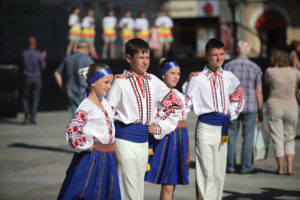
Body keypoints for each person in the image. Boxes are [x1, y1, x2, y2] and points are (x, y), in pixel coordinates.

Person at [107, 38, 182, 199]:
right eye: (141, 58)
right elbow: (107, 112)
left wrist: (161, 126)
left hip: (143, 140)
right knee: (129, 185)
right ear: (129, 58)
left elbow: (175, 105)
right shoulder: (120, 83)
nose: (145, 62)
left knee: (138, 186)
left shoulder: (153, 81)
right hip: (124, 139)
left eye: (147, 58)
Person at [184, 38, 245, 200]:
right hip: (205, 126)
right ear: (206, 56)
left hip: (223, 128)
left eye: (221, 54)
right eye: (214, 55)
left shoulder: (229, 77)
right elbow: (185, 102)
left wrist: (230, 113)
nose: (219, 58)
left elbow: (238, 97)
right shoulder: (198, 78)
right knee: (205, 170)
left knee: (219, 171)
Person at [57, 63, 121, 200]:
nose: (109, 86)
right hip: (93, 159)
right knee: (88, 193)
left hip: (108, 157)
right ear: (93, 82)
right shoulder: (86, 107)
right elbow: (72, 131)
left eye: (111, 82)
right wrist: (87, 144)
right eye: (106, 82)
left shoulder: (104, 102)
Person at [145, 59, 190, 200]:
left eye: (178, 73)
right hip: (168, 137)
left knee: (173, 182)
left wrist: (194, 78)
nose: (176, 76)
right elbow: (153, 114)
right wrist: (157, 128)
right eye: (172, 73)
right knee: (168, 183)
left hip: (181, 136)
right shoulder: (158, 92)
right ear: (163, 75)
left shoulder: (179, 94)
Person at [224, 39, 263, 174]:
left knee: (231, 136)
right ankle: (246, 167)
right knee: (248, 137)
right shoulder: (255, 68)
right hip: (251, 106)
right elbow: (259, 92)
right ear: (249, 51)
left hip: (233, 106)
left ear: (237, 50)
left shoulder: (228, 66)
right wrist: (260, 110)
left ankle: (230, 166)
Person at [264, 48, 298, 175]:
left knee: (277, 138)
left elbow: (267, 83)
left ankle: (280, 168)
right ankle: (289, 168)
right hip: (291, 107)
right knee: (290, 138)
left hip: (274, 106)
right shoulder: (294, 72)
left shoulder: (269, 71)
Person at [54, 41, 94, 118]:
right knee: (86, 120)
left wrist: (62, 87)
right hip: (84, 93)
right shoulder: (87, 59)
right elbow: (96, 73)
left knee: (74, 120)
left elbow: (57, 73)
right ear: (86, 48)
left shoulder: (68, 58)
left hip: (70, 93)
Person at [22, 36, 46, 125]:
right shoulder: (38, 54)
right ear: (35, 44)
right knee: (36, 98)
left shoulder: (24, 53)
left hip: (27, 77)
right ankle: (32, 118)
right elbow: (43, 66)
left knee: (25, 97)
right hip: (36, 77)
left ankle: (27, 114)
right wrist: (43, 57)